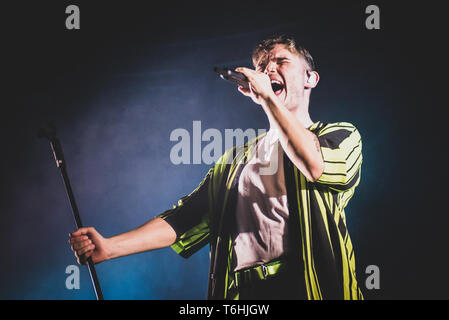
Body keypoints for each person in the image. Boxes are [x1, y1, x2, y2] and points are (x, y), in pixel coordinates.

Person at [69, 35, 364, 300]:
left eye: (281, 61)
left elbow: (313, 164)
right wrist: (110, 248)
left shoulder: (340, 135)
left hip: (310, 289)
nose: (268, 69)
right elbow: (184, 218)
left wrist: (268, 98)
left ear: (310, 78)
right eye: (262, 66)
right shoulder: (234, 161)